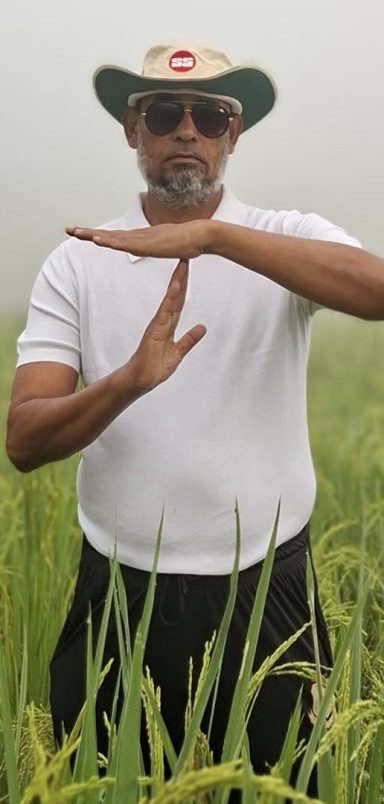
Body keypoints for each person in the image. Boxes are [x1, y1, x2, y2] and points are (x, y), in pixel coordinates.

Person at [6, 43, 384, 794]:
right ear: (132, 131)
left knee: (287, 785)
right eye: (164, 113)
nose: (188, 130)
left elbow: (377, 291)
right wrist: (124, 384)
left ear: (232, 136)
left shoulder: (283, 235)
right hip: (118, 588)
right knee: (106, 782)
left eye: (209, 115)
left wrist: (213, 238)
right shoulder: (78, 263)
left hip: (268, 589)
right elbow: (24, 438)